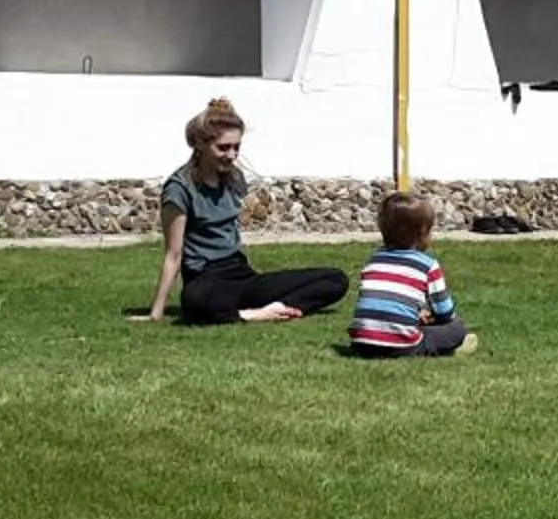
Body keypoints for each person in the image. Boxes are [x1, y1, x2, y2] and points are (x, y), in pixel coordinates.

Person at [133, 98, 348, 326]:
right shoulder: (179, 189)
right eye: (223, 148)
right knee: (195, 302)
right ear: (200, 144)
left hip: (240, 274)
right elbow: (173, 255)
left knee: (336, 279)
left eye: (236, 147)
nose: (232, 155)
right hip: (206, 278)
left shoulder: (233, 177)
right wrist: (155, 314)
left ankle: (275, 308)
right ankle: (251, 314)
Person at [346, 192, 478, 359]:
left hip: (362, 343)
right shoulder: (427, 265)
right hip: (401, 345)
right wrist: (434, 318)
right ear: (422, 233)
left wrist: (416, 314)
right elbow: (445, 313)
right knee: (457, 327)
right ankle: (453, 348)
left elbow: (380, 303)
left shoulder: (374, 261)